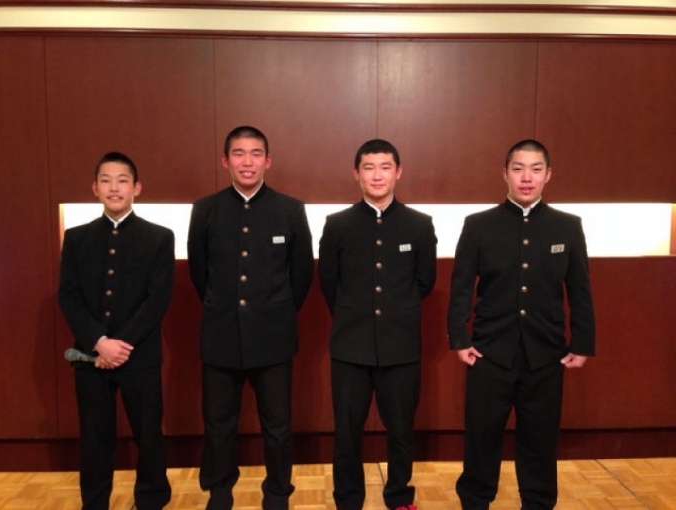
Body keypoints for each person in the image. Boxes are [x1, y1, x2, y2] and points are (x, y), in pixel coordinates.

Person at [447, 139, 596, 510]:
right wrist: (459, 338)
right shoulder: (478, 226)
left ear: (548, 175)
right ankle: (475, 502)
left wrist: (582, 343)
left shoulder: (567, 227)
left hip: (546, 354)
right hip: (489, 352)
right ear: (505, 174)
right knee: (481, 439)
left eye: (535, 169)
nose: (526, 177)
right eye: (518, 169)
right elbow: (461, 286)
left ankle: (538, 503)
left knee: (540, 441)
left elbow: (580, 291)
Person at [187, 126, 314, 510]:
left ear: (267, 161)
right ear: (225, 160)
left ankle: (277, 493)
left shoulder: (289, 209)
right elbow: (199, 273)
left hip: (273, 337)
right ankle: (219, 491)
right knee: (218, 424)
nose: (247, 162)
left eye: (255, 153)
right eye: (239, 154)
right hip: (221, 335)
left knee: (277, 426)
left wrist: (274, 312)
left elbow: (301, 275)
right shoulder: (206, 209)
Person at [318, 139, 437, 510]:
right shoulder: (337, 225)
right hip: (349, 347)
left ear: (398, 172)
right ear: (356, 173)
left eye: (385, 167)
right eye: (368, 167)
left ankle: (399, 496)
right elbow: (329, 283)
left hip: (401, 347)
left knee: (401, 430)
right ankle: (348, 500)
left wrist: (395, 311)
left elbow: (425, 281)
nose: (377, 175)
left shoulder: (419, 225)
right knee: (347, 433)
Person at [58, 151, 174, 510]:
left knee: (149, 436)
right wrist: (99, 342)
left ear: (136, 187)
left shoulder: (159, 237)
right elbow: (69, 296)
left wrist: (120, 345)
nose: (114, 187)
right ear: (94, 188)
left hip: (140, 356)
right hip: (90, 357)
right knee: (95, 440)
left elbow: (158, 299)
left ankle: (151, 502)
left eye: (122, 180)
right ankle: (95, 503)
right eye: (105, 180)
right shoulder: (76, 238)